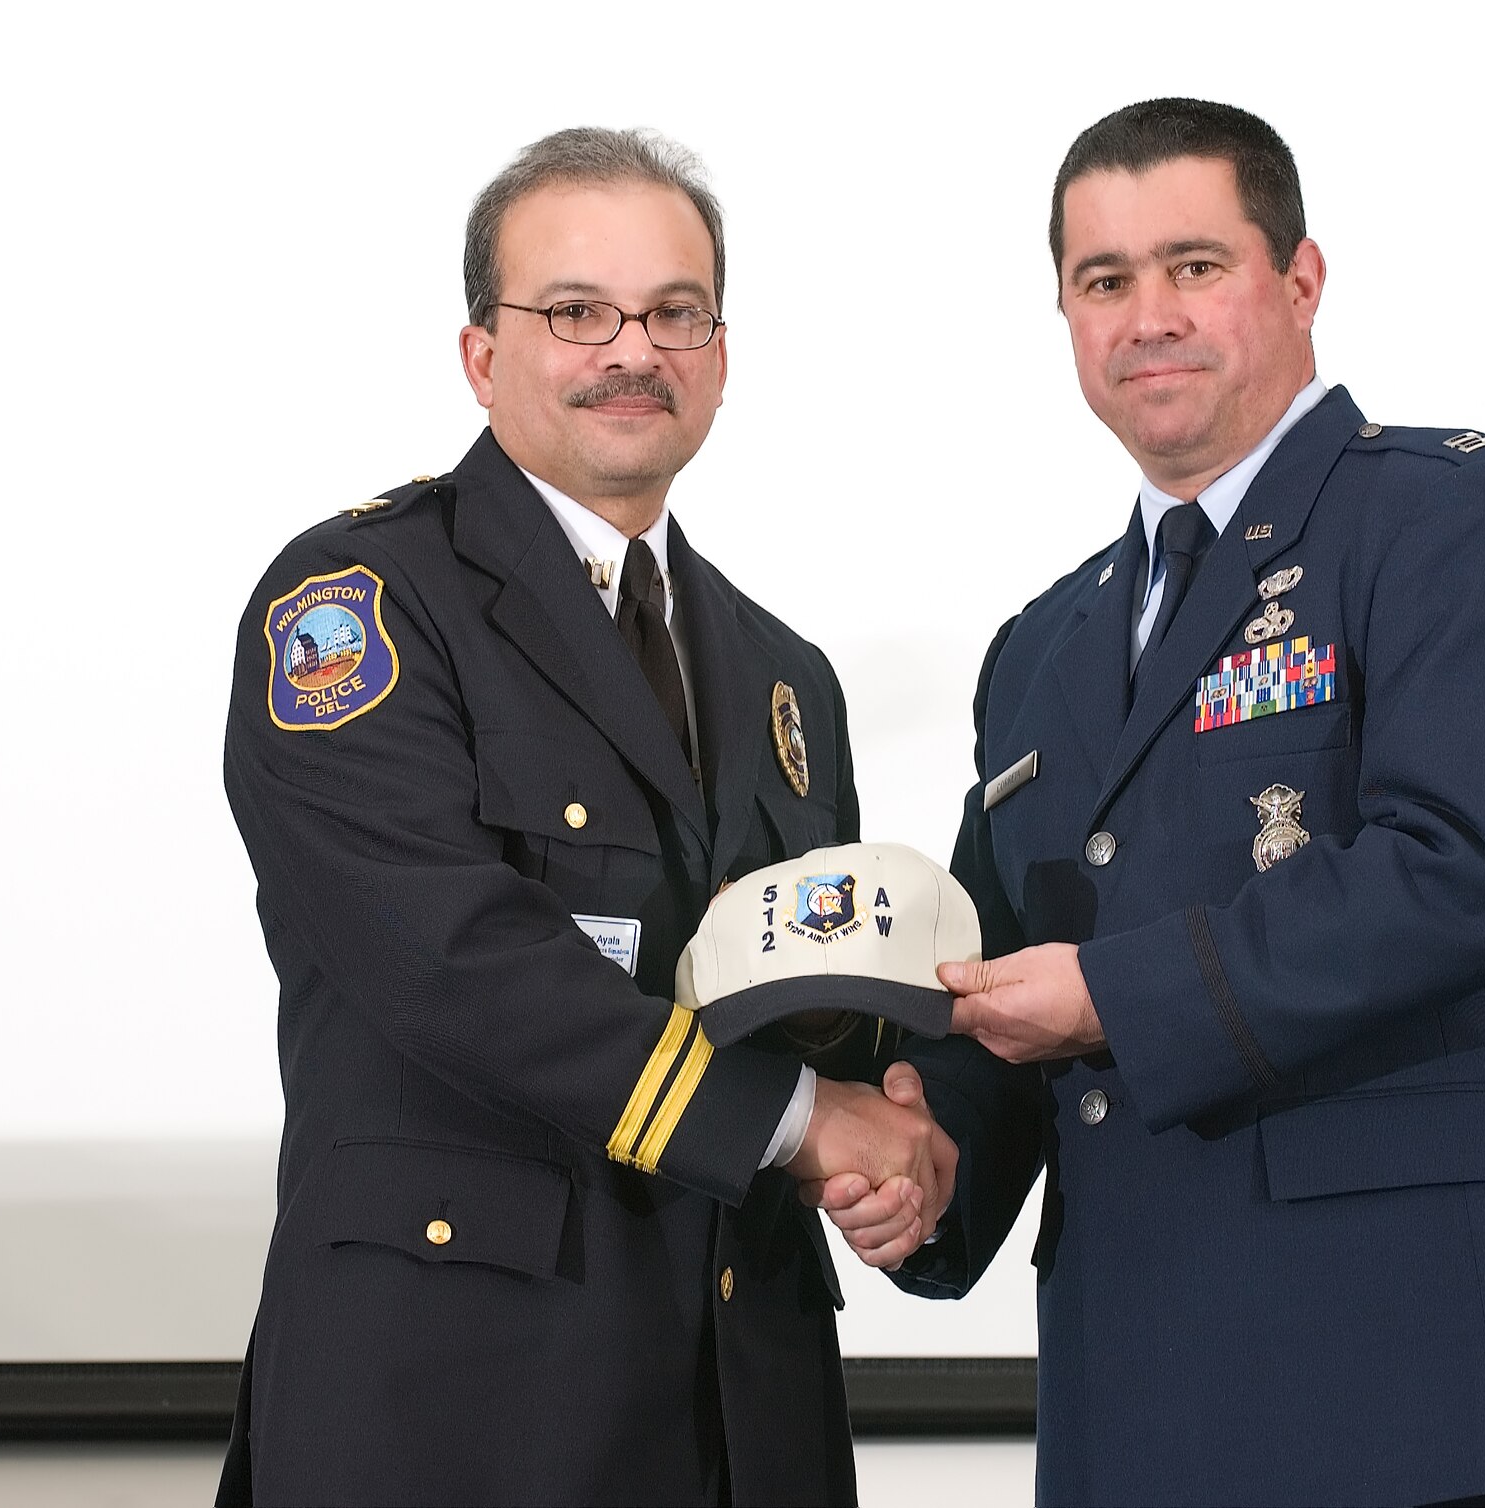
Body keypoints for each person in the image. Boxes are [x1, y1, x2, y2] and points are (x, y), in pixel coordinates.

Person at [815, 99, 1485, 1507]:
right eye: (1103, 281)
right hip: (1132, 1408)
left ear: (1300, 281)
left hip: (1406, 1395)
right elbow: (996, 981)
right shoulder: (1044, 647)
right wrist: (924, 1161)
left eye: (1195, 265)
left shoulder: (1453, 519)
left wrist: (1113, 996)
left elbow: (1474, 868)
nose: (1149, 316)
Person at [218, 127, 952, 1508]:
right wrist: (804, 1122)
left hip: (742, 1409)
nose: (635, 349)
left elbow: (811, 995)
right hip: (461, 1406)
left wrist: (904, 1124)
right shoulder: (360, 604)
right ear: (481, 354)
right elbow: (455, 961)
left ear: (722, 356)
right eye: (577, 312)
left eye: (676, 312)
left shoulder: (788, 675)